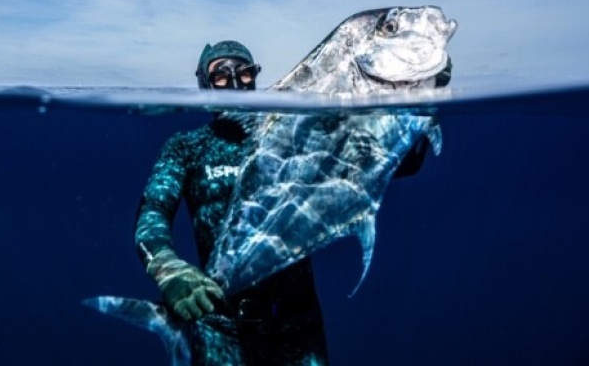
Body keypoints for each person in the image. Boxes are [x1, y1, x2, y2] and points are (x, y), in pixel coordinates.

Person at [134, 41, 432, 365]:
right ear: (203, 82)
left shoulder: (296, 134)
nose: (235, 83)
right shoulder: (186, 148)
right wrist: (168, 268)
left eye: (244, 73)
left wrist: (424, 96)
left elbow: (399, 163)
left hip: (299, 326)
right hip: (221, 329)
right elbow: (153, 211)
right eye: (220, 76)